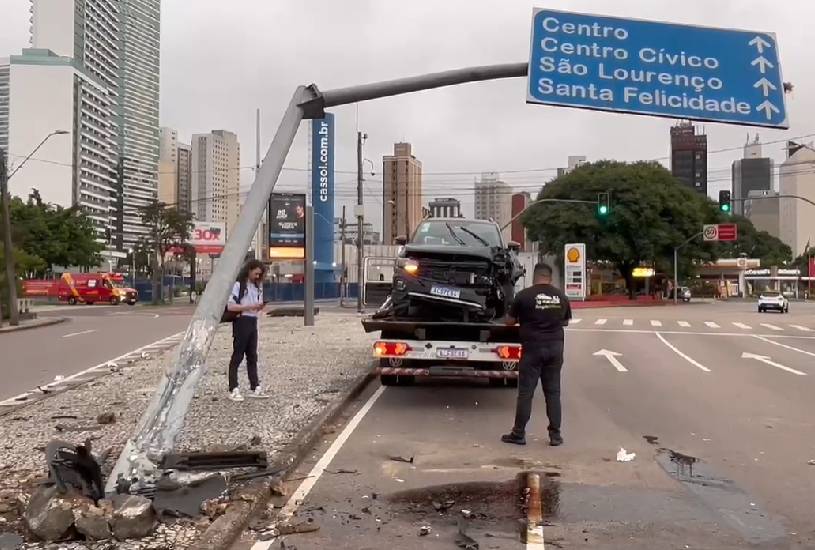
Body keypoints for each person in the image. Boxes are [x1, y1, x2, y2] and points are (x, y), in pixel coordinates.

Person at [501, 262, 571, 447]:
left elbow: (509, 321)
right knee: (553, 393)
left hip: (532, 349)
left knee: (526, 393)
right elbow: (565, 322)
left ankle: (518, 434)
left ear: (534, 277)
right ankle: (555, 436)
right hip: (555, 350)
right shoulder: (561, 297)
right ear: (550, 277)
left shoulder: (524, 296)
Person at [226, 259, 268, 402]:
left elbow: (256, 304)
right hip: (241, 321)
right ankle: (233, 388)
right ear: (249, 270)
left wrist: (258, 307)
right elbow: (231, 306)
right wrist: (249, 306)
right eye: (256, 273)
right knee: (237, 355)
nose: (257, 277)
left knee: (252, 356)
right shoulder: (238, 285)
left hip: (252, 320)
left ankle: (255, 386)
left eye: (260, 275)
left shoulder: (257, 287)